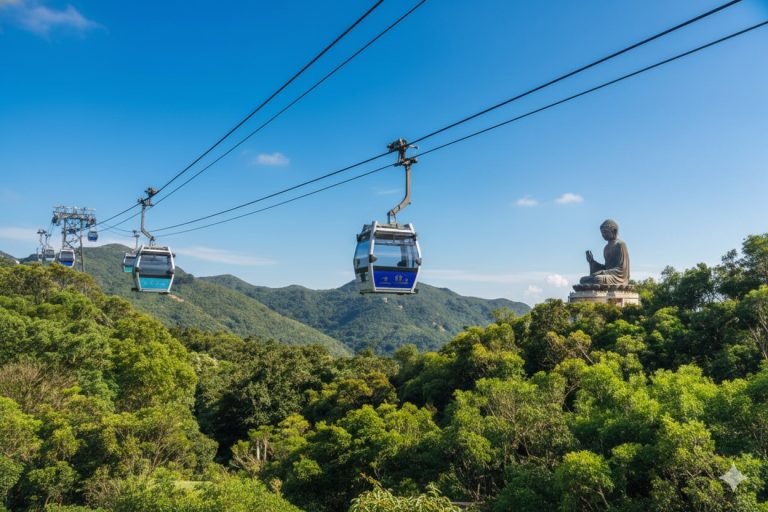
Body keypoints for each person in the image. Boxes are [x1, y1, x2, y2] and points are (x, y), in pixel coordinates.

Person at [579, 219, 630, 286]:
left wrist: (604, 272)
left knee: (598, 279)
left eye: (605, 232)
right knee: (583, 280)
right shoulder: (606, 248)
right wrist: (592, 262)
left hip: (618, 277)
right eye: (602, 233)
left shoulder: (620, 245)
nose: (603, 235)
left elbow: (622, 269)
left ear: (614, 231)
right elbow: (606, 267)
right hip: (608, 274)